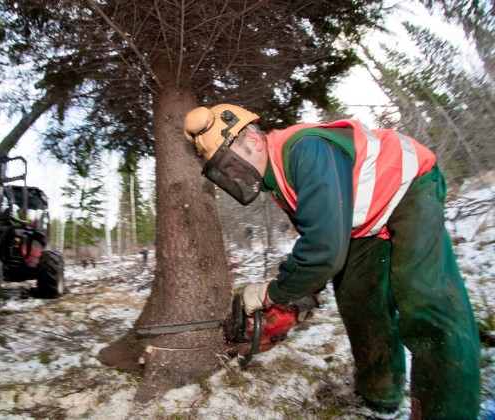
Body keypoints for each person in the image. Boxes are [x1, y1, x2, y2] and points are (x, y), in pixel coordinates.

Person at [183, 104, 481, 419]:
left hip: (408, 186)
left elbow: (324, 250)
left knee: (425, 299)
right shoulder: (279, 184)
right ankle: (379, 393)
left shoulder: (304, 150)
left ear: (254, 140)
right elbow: (318, 242)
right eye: (223, 170)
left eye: (230, 164)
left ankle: (448, 410)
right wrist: (300, 297)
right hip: (362, 223)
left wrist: (274, 292)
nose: (231, 175)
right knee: (358, 300)